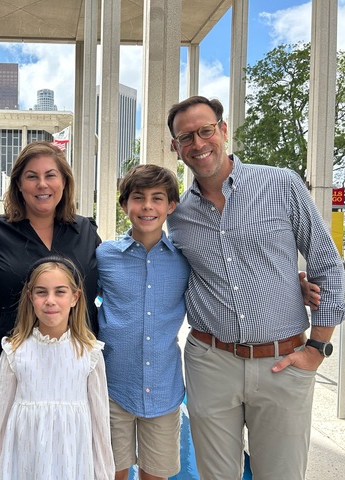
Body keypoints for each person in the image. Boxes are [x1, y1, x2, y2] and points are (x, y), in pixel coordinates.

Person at [165, 95, 345, 479]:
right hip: (210, 363)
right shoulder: (177, 214)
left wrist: (317, 348)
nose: (198, 143)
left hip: (282, 362)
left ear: (223, 130)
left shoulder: (280, 184)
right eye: (186, 137)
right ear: (176, 147)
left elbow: (326, 263)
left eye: (206, 131)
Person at [0, 141, 101, 479]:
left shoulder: (86, 232)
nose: (42, 184)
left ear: (64, 182)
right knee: (0, 459)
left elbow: (112, 289)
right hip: (9, 368)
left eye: (50, 175)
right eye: (32, 176)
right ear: (18, 184)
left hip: (71, 372)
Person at [97, 164, 188, 480]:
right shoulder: (104, 256)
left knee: (156, 475)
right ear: (124, 205)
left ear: (171, 206)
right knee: (110, 473)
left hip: (164, 389)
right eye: (138, 198)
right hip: (112, 387)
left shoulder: (185, 259)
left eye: (157, 198)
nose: (147, 206)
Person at [0, 256, 114, 480]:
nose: (50, 300)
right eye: (41, 292)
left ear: (75, 297)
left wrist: (104, 473)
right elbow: (2, 417)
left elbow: (100, 420)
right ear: (30, 297)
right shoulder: (14, 352)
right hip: (25, 460)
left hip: (72, 461)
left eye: (60, 292)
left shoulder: (90, 353)